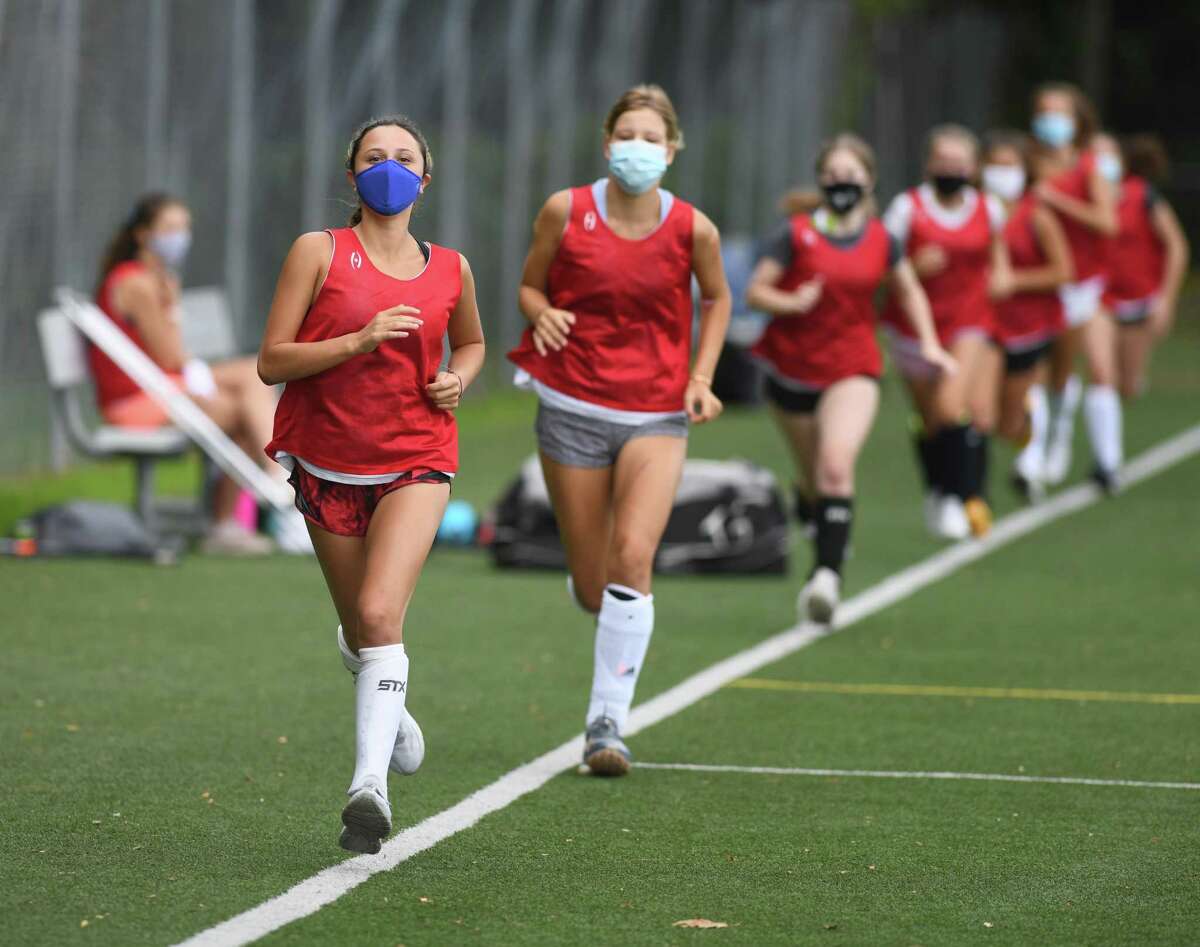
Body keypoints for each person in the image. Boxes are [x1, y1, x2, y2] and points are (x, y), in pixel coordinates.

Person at [258, 115, 485, 853]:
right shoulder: (319, 251)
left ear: (426, 176)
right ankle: (392, 707)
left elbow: (474, 342)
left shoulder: (452, 267)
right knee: (364, 627)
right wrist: (355, 341)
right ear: (351, 175)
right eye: (373, 157)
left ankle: (369, 789)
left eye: (404, 157)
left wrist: (458, 377)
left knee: (382, 613)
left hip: (418, 456)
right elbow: (272, 361)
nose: (389, 168)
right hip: (327, 463)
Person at [509, 85, 730, 777]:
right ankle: (598, 603)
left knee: (634, 555)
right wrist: (540, 312)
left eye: (650, 137)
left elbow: (718, 297)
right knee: (593, 583)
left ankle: (606, 724)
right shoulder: (565, 210)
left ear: (670, 151)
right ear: (608, 145)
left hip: (657, 413)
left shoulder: (693, 227)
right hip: (571, 405)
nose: (637, 147)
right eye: (625, 135)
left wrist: (701, 375)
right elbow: (529, 285)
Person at [747, 133, 953, 622]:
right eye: (833, 176)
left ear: (870, 180)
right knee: (814, 479)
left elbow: (909, 292)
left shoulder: (884, 239)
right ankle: (817, 515)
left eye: (851, 175)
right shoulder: (796, 233)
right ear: (821, 181)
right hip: (791, 369)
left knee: (836, 465)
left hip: (853, 366)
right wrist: (790, 302)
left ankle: (826, 578)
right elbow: (756, 291)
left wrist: (929, 342)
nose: (842, 183)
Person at [91, 193, 297, 555]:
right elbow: (170, 357)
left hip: (160, 390)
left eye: (184, 227)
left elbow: (170, 359)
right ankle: (270, 485)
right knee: (250, 388)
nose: (179, 236)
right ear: (143, 234)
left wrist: (169, 297)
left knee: (249, 395)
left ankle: (241, 508)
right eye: (169, 228)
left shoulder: (158, 279)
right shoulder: (136, 283)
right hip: (134, 401)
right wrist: (169, 303)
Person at [881, 125, 1005, 539]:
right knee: (931, 420)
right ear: (929, 164)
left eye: (959, 162)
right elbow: (878, 270)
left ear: (973, 168)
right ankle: (937, 490)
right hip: (913, 329)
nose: (950, 169)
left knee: (955, 409)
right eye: (943, 161)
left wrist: (1004, 280)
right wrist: (914, 267)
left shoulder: (989, 209)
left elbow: (999, 259)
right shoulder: (906, 209)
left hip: (968, 323)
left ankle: (964, 498)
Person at [1028, 82, 1120, 490]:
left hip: (1083, 284)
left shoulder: (1088, 169)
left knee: (1090, 366)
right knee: (1043, 371)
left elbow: (1108, 222)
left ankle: (1101, 458)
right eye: (1044, 112)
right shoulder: (1027, 164)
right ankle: (1041, 445)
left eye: (1060, 113)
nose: (1051, 121)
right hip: (1038, 283)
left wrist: (1057, 201)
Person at [980, 131, 1073, 499]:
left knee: (1009, 422)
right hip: (982, 325)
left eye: (1009, 166)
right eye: (995, 165)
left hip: (1027, 325)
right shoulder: (974, 210)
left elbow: (1063, 271)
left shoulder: (1036, 215)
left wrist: (1013, 280)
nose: (1001, 173)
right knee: (978, 409)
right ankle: (970, 487)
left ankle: (1033, 445)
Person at [1098, 133, 1190, 400]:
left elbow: (1177, 247)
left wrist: (1166, 300)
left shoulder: (1142, 194)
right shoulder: (1080, 196)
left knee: (1127, 386)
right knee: (1102, 375)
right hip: (1099, 301)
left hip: (1137, 301)